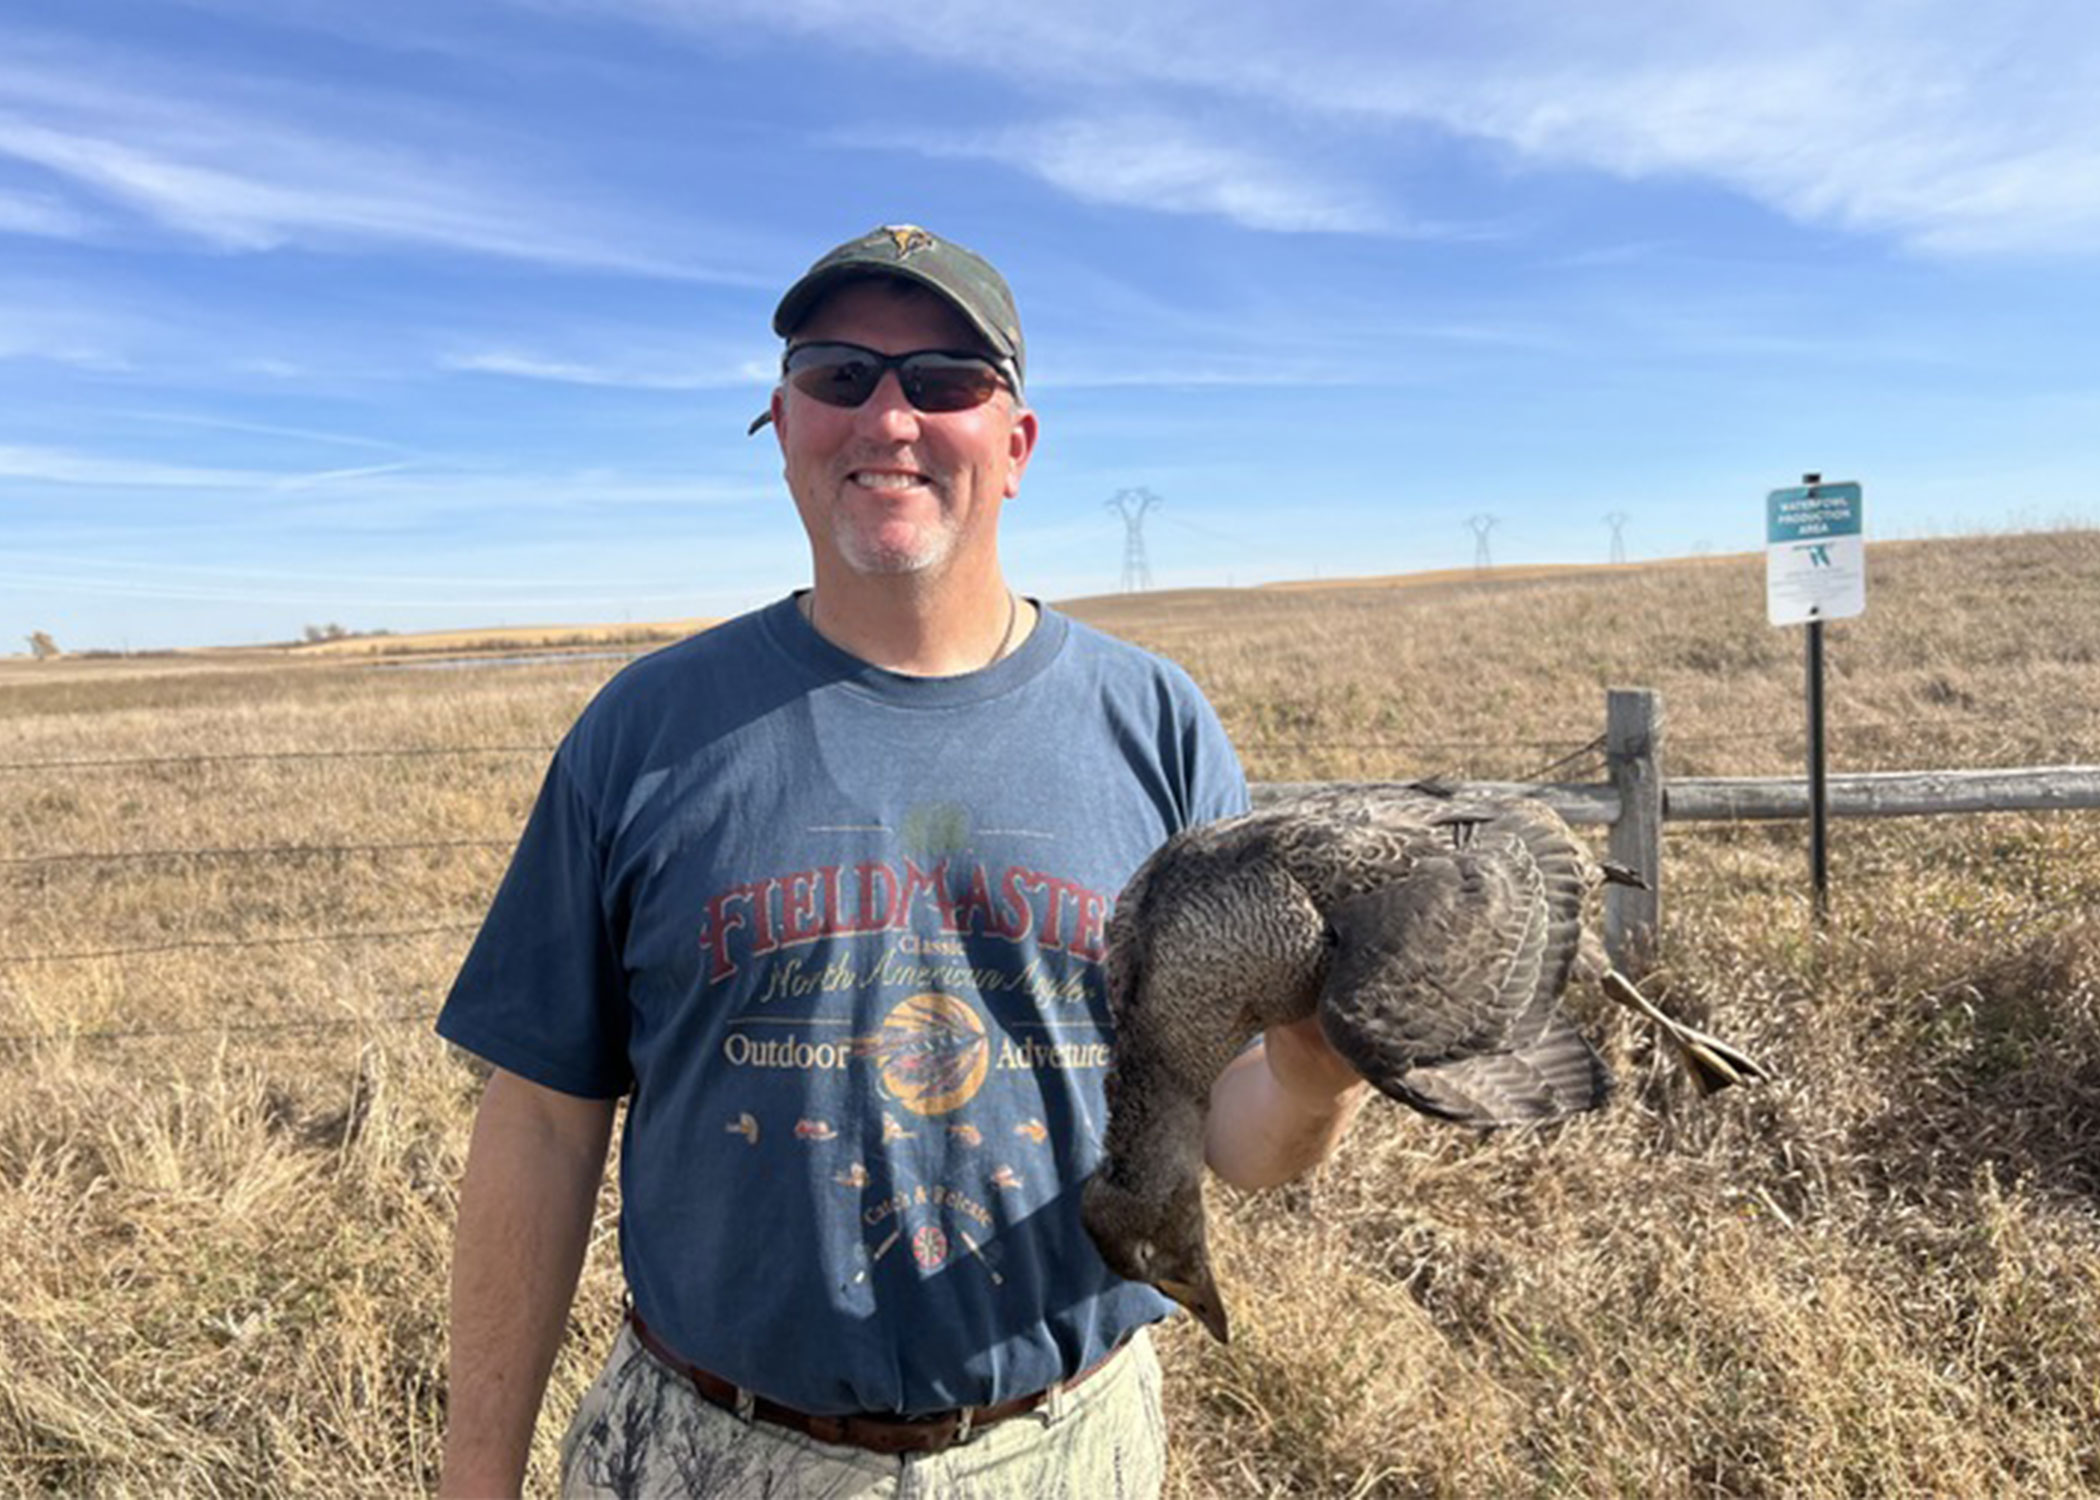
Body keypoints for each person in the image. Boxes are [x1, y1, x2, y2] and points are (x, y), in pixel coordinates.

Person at [435, 224, 1370, 1499]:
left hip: (1066, 1449)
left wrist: (1322, 1063)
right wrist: (474, 1475)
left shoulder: (1156, 730)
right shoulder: (643, 733)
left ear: (1018, 445)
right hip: (710, 1452)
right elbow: (543, 1118)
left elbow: (1234, 1136)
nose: (888, 418)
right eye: (839, 376)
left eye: (943, 381)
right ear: (782, 424)